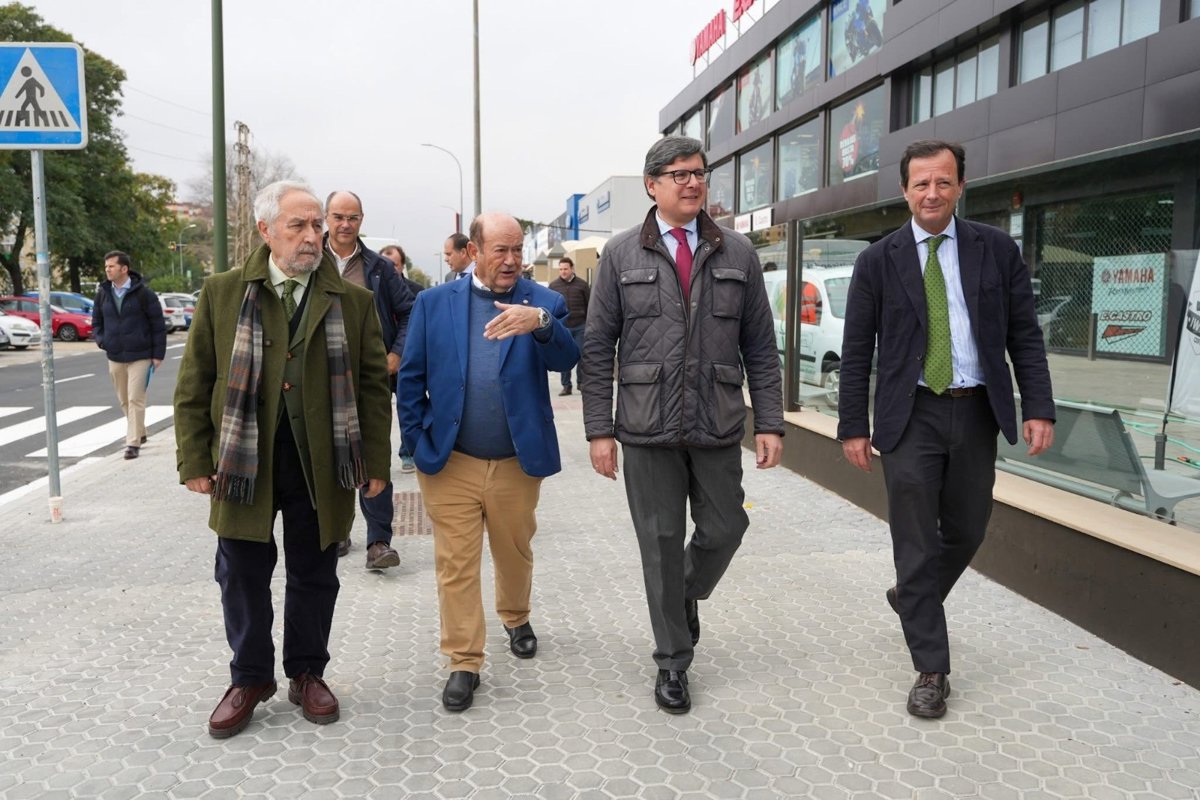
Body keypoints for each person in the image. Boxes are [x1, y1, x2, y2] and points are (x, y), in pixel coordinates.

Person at [837, 139, 1055, 719]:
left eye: (943, 182)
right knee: (914, 539)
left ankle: (911, 595)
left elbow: (1024, 335)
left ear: (960, 186)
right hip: (910, 414)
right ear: (904, 190)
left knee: (967, 529)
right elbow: (856, 351)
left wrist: (1039, 406)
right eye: (921, 183)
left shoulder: (996, 250)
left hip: (977, 409)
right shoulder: (877, 261)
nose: (931, 193)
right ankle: (931, 669)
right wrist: (853, 425)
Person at [174, 181, 392, 739]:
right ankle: (249, 678)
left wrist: (375, 463)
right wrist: (194, 459)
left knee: (315, 572)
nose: (312, 236)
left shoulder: (353, 301)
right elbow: (195, 382)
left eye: (317, 225)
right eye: (298, 225)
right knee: (240, 573)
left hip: (322, 460)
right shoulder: (223, 293)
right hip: (242, 462)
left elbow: (372, 388)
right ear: (265, 231)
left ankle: (306, 672)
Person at [580, 136, 784, 714]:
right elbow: (597, 348)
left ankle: (685, 592)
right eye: (678, 174)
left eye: (698, 172)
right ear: (652, 185)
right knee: (660, 543)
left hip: (716, 420)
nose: (692, 182)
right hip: (646, 425)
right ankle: (672, 661)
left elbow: (760, 346)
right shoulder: (621, 254)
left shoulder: (737, 252)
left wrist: (770, 421)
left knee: (727, 527)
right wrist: (599, 431)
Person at [398, 212, 579, 712]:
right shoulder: (434, 303)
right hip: (451, 460)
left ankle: (516, 616)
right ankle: (463, 661)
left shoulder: (544, 302)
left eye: (517, 249)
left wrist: (540, 324)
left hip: (515, 461)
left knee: (513, 551)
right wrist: (417, 439)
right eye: (501, 250)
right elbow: (410, 378)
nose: (512, 260)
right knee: (456, 563)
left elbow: (567, 359)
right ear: (474, 251)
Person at [324, 191, 415, 569]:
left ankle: (378, 542)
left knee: (372, 454)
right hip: (320, 376)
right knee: (326, 455)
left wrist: (396, 354)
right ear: (326, 218)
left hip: (368, 376)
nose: (346, 224)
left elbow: (409, 312)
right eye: (338, 217)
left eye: (353, 217)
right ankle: (337, 530)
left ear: (361, 220)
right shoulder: (309, 259)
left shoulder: (379, 268)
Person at [92, 251, 166, 460]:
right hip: (115, 355)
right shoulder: (103, 293)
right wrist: (102, 340)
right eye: (106, 266)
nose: (107, 270)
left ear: (124, 269)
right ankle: (139, 431)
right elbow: (96, 321)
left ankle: (132, 443)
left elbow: (158, 326)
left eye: (111, 266)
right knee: (124, 399)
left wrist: (158, 354)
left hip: (140, 355)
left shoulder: (144, 294)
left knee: (135, 398)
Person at [380, 243, 423, 476]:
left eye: (394, 265)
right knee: (378, 412)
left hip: (408, 362)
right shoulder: (374, 291)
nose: (390, 269)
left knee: (409, 408)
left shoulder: (417, 291)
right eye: (385, 264)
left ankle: (408, 452)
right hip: (380, 363)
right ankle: (377, 459)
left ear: (402, 266)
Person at [547, 256, 590, 396]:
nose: (563, 272)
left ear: (572, 269)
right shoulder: (553, 286)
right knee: (564, 356)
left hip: (580, 326)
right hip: (562, 327)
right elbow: (550, 307)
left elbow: (590, 305)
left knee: (581, 355)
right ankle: (566, 386)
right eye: (560, 269)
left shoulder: (582, 285)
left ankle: (581, 383)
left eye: (565, 269)